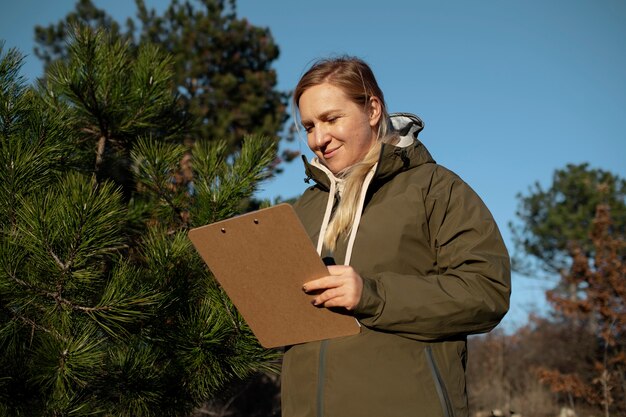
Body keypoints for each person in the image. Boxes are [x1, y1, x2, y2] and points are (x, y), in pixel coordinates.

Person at [283, 56, 511, 417]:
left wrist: (373, 295)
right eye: (309, 126)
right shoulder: (305, 208)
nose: (318, 138)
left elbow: (486, 293)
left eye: (331, 119)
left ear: (372, 109)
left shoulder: (435, 188)